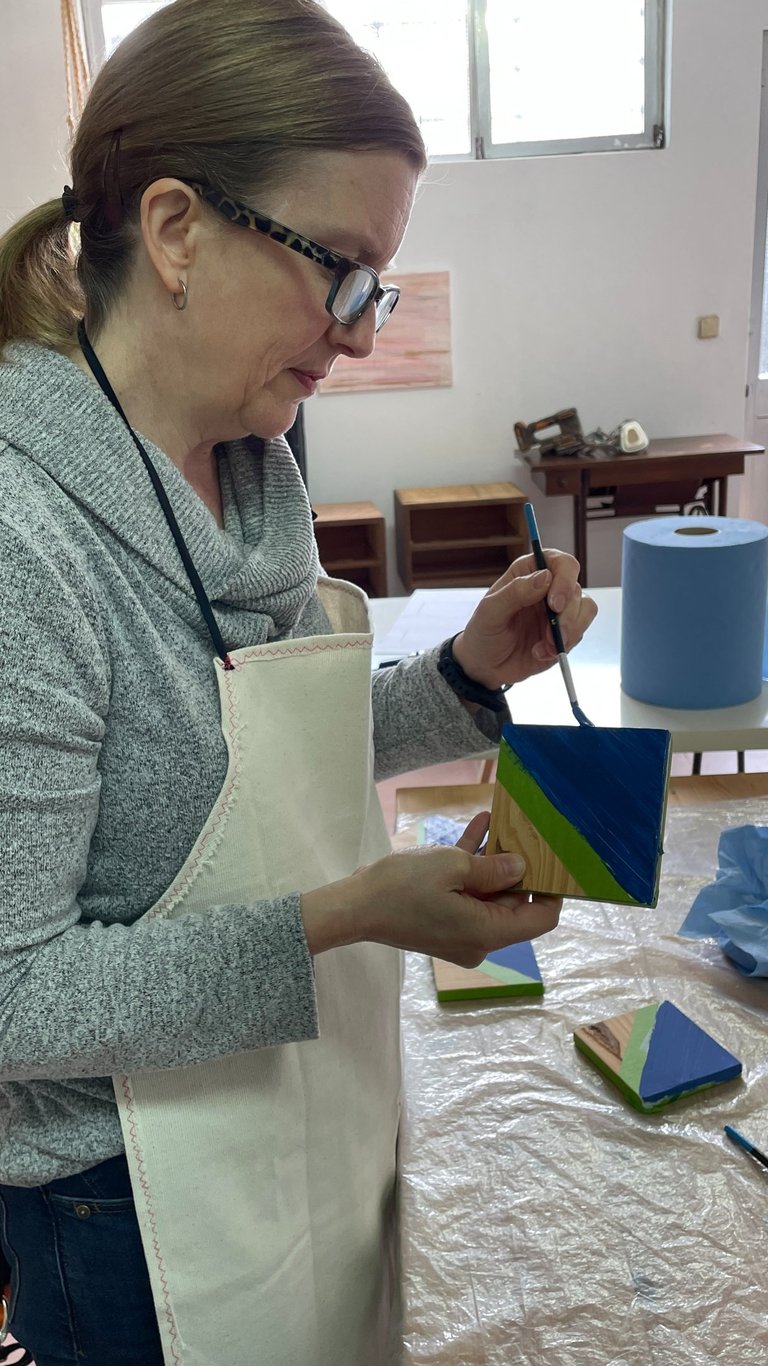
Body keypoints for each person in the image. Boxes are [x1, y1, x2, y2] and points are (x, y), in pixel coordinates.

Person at [0, 2, 597, 1362]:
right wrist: (348, 914)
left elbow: (253, 756)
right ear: (175, 232)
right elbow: (16, 997)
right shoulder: (24, 542)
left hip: (301, 1106)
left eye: (376, 287)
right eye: (342, 272)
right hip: (125, 1211)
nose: (363, 335)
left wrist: (464, 673)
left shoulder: (252, 465)